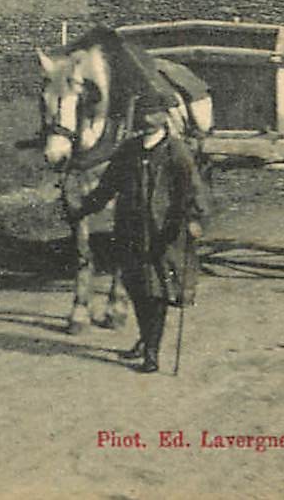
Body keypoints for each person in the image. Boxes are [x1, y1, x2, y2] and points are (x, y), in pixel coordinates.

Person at [67, 106, 208, 373]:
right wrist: (84, 208)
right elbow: (108, 186)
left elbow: (193, 189)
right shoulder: (129, 150)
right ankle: (145, 339)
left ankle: (152, 353)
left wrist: (194, 219)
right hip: (129, 230)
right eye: (143, 117)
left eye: (152, 116)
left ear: (163, 119)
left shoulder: (176, 151)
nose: (146, 122)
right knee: (136, 288)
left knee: (157, 291)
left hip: (163, 232)